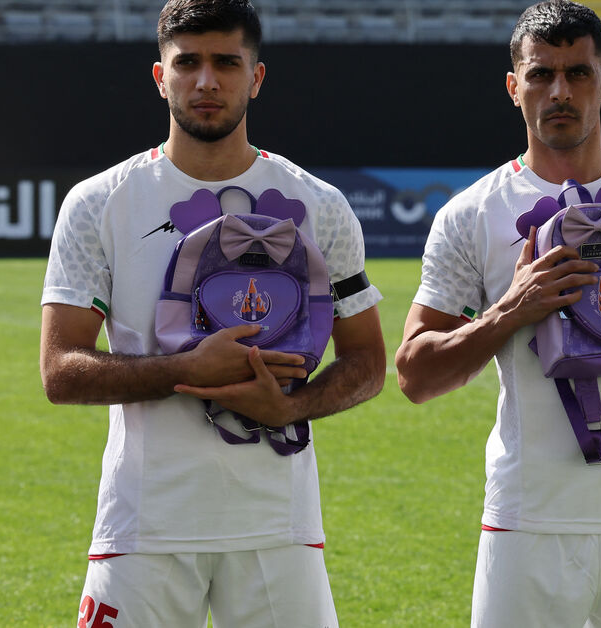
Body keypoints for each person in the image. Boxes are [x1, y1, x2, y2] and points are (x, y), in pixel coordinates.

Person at [39, 1, 385, 625]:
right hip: (144, 526)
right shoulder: (98, 203)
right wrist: (187, 368)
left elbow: (368, 361)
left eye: (226, 63)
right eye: (187, 63)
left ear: (255, 77)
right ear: (159, 76)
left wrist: (294, 406)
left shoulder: (321, 205)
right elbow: (60, 371)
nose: (206, 81)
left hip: (276, 529)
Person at [394, 2, 601, 626]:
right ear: (513, 87)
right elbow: (415, 374)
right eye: (541, 74)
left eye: (578, 74)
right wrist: (506, 314)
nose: (559, 91)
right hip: (529, 516)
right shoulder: (472, 214)